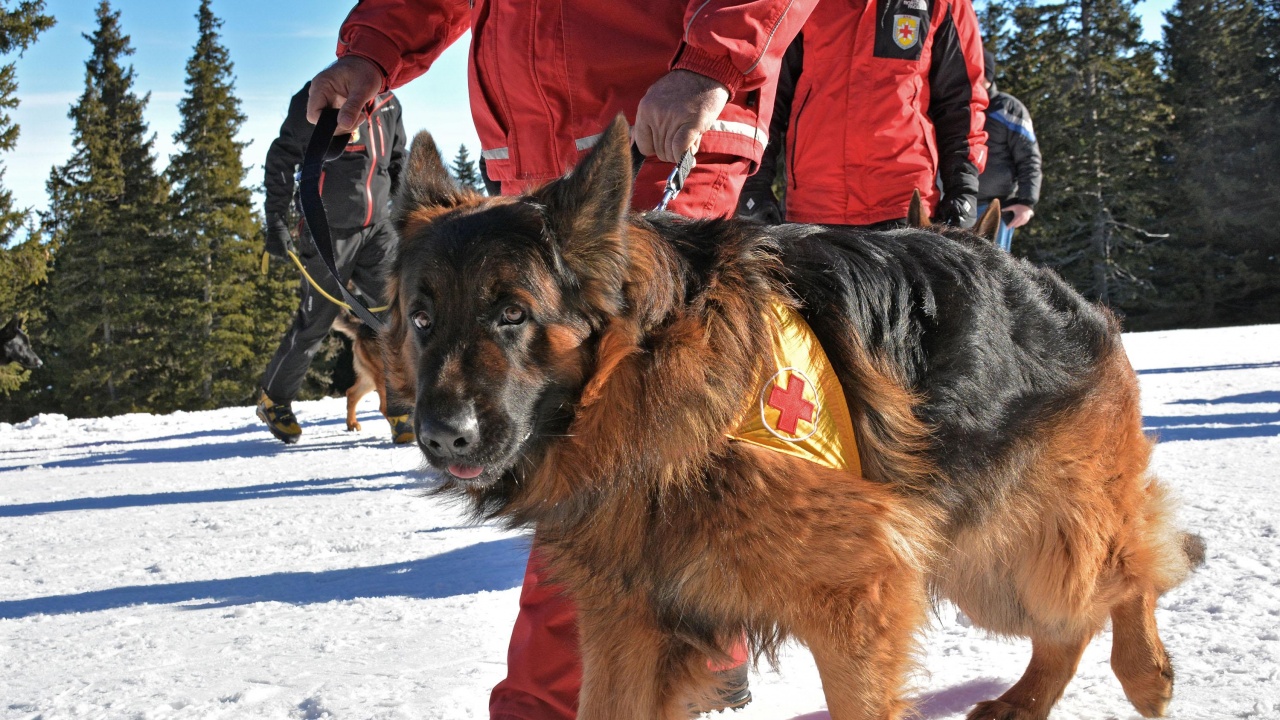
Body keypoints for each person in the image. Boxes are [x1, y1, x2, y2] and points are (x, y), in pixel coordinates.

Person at [306, 2, 818, 717]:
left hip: (657, 129)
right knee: (598, 453)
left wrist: (713, 61)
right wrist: (373, 51)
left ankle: (549, 704)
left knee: (602, 461)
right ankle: (701, 651)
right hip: (534, 158)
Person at [736, 0, 989, 230]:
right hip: (815, 203)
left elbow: (961, 102)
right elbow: (768, 94)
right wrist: (754, 184)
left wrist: (963, 189)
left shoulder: (945, 4)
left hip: (905, 205)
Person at [256, 82, 414, 446]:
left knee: (397, 316)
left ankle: (402, 408)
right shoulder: (315, 101)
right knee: (316, 321)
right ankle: (274, 399)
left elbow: (397, 162)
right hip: (326, 230)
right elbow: (281, 158)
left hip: (378, 230)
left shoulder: (389, 103)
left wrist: (406, 218)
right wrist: (276, 222)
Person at [976, 49, 1042, 252]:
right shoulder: (956, 107)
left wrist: (1026, 202)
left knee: (991, 271)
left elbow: (1029, 157)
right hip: (956, 204)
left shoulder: (1008, 108)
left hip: (996, 207)